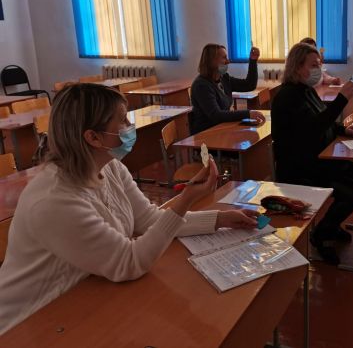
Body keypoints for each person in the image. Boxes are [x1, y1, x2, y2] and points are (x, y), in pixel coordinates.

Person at [0, 83, 257, 335]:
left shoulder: (110, 166)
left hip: (84, 296)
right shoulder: (54, 201)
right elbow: (129, 262)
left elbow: (149, 220)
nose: (130, 126)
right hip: (28, 321)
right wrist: (186, 199)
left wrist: (220, 219)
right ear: (93, 137)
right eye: (122, 121)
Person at [271, 42, 353, 265]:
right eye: (313, 65)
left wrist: (342, 129)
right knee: (351, 193)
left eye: (319, 65)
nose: (318, 70)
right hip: (300, 167)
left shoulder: (306, 90)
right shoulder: (287, 96)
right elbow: (312, 129)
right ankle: (320, 235)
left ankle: (331, 225)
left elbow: (324, 119)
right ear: (297, 67)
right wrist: (342, 99)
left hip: (318, 159)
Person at [190, 43, 266, 134]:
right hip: (206, 133)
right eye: (224, 58)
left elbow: (249, 85)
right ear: (212, 61)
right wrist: (248, 114)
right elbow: (216, 115)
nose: (228, 61)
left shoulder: (224, 78)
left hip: (223, 127)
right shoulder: (201, 85)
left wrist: (253, 61)